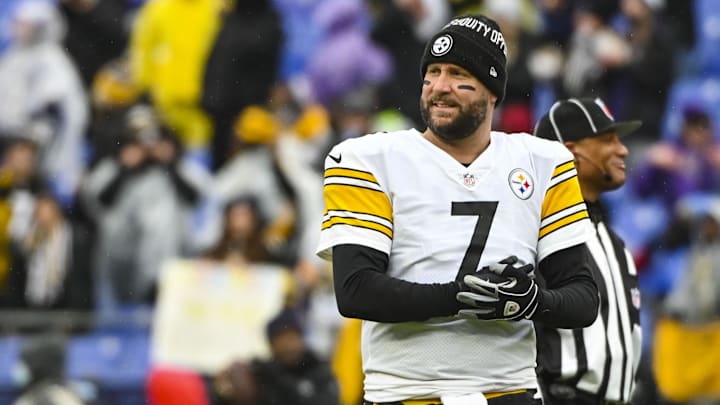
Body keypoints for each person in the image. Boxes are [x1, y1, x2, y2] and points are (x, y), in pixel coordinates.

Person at [316, 13, 599, 405]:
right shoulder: (368, 158)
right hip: (405, 394)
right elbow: (355, 291)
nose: (439, 87)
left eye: (457, 73)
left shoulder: (543, 161)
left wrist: (532, 300)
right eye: (432, 72)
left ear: (492, 88)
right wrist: (463, 295)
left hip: (510, 390)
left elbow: (584, 299)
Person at [533, 97, 643, 405]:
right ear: (570, 152)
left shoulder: (615, 243)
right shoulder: (539, 236)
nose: (622, 150)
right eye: (608, 139)